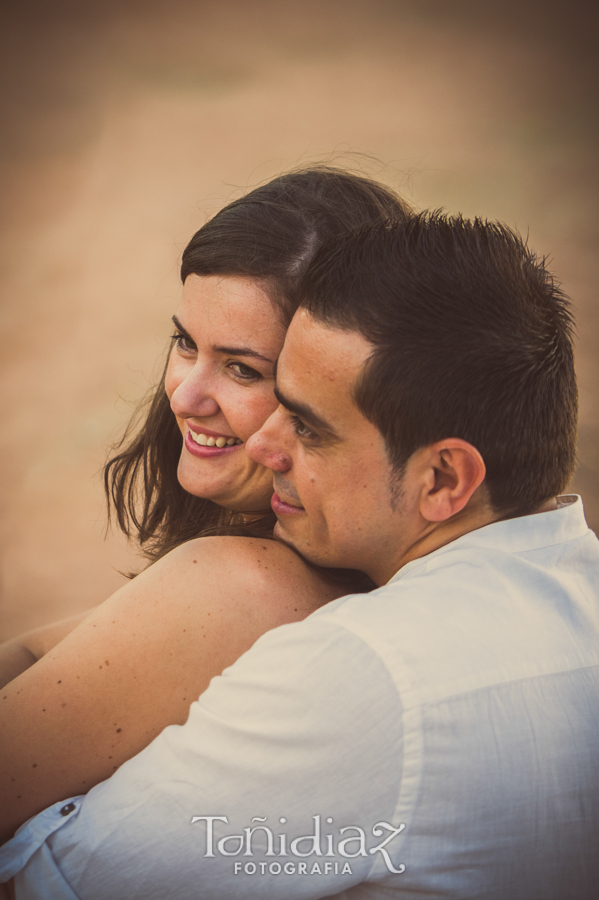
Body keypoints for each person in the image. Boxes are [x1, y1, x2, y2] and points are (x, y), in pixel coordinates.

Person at [2, 212, 598, 900]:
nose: (265, 444)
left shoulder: (360, 671)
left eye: (310, 428)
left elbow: (51, 886)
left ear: (441, 480)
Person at [0, 167, 410, 842]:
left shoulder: (242, 586)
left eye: (243, 368)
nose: (184, 394)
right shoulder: (313, 562)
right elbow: (35, 650)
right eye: (185, 342)